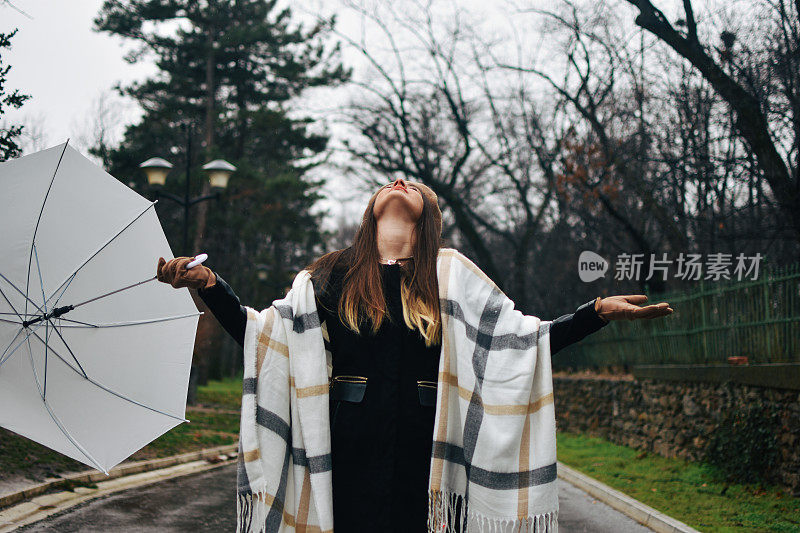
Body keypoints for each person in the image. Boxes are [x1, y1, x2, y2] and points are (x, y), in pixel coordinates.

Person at [156, 178, 673, 532]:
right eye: (389, 183)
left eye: (413, 188)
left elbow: (521, 342)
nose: (399, 183)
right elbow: (263, 334)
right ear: (370, 210)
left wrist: (595, 313)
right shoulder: (331, 273)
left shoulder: (451, 275)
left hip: (428, 456)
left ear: (428, 214)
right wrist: (209, 283)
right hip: (346, 450)